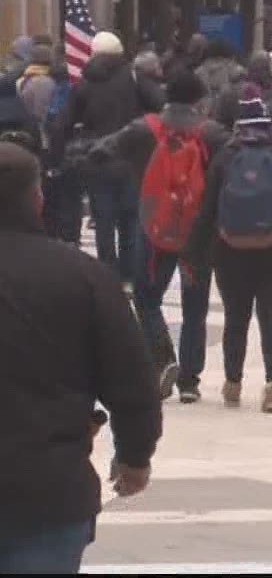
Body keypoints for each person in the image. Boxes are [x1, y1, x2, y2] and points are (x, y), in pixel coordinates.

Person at [0, 142, 160, 573]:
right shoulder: (83, 275)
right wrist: (135, 456)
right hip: (47, 488)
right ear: (37, 200)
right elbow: (131, 379)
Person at [88, 70, 228, 403]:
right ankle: (190, 381)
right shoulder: (211, 133)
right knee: (196, 305)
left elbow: (99, 151)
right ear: (199, 101)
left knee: (147, 298)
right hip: (198, 230)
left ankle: (163, 358)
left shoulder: (143, 129)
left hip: (153, 225)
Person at [183, 93, 272, 414]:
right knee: (271, 318)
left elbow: (208, 210)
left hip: (229, 249)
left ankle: (233, 381)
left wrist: (194, 253)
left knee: (235, 318)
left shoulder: (224, 160)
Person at [49, 30, 160, 288]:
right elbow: (159, 103)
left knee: (104, 219)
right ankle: (130, 274)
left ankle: (108, 275)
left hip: (96, 158)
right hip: (132, 157)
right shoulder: (135, 78)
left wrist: (56, 159)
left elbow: (61, 125)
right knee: (131, 219)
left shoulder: (84, 84)